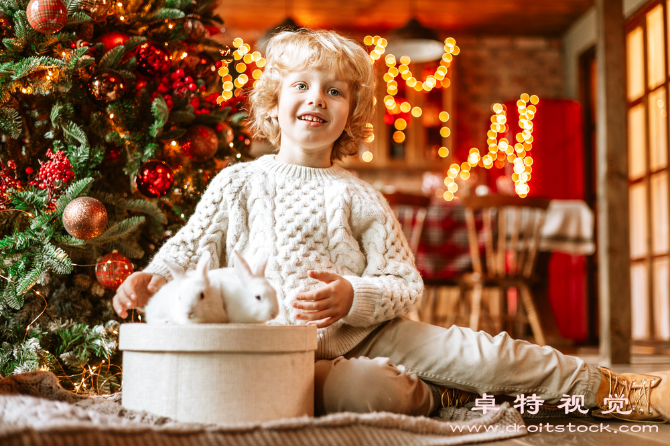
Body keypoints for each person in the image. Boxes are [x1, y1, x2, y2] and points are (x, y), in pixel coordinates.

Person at [113, 29, 670, 422]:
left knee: (484, 354)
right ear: (272, 103)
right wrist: (151, 279)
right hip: (278, 360)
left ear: (351, 112)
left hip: (374, 333)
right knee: (379, 392)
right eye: (301, 86)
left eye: (334, 91)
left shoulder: (360, 196)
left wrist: (353, 294)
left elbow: (406, 282)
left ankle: (612, 387)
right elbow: (188, 250)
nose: (316, 98)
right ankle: (442, 398)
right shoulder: (238, 182)